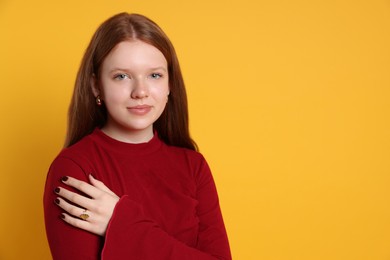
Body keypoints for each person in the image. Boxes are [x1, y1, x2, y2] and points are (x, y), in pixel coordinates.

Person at [43, 12, 231, 259]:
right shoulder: (74, 169)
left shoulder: (194, 167)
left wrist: (122, 223)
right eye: (121, 76)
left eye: (154, 75)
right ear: (95, 85)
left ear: (169, 84)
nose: (140, 91)